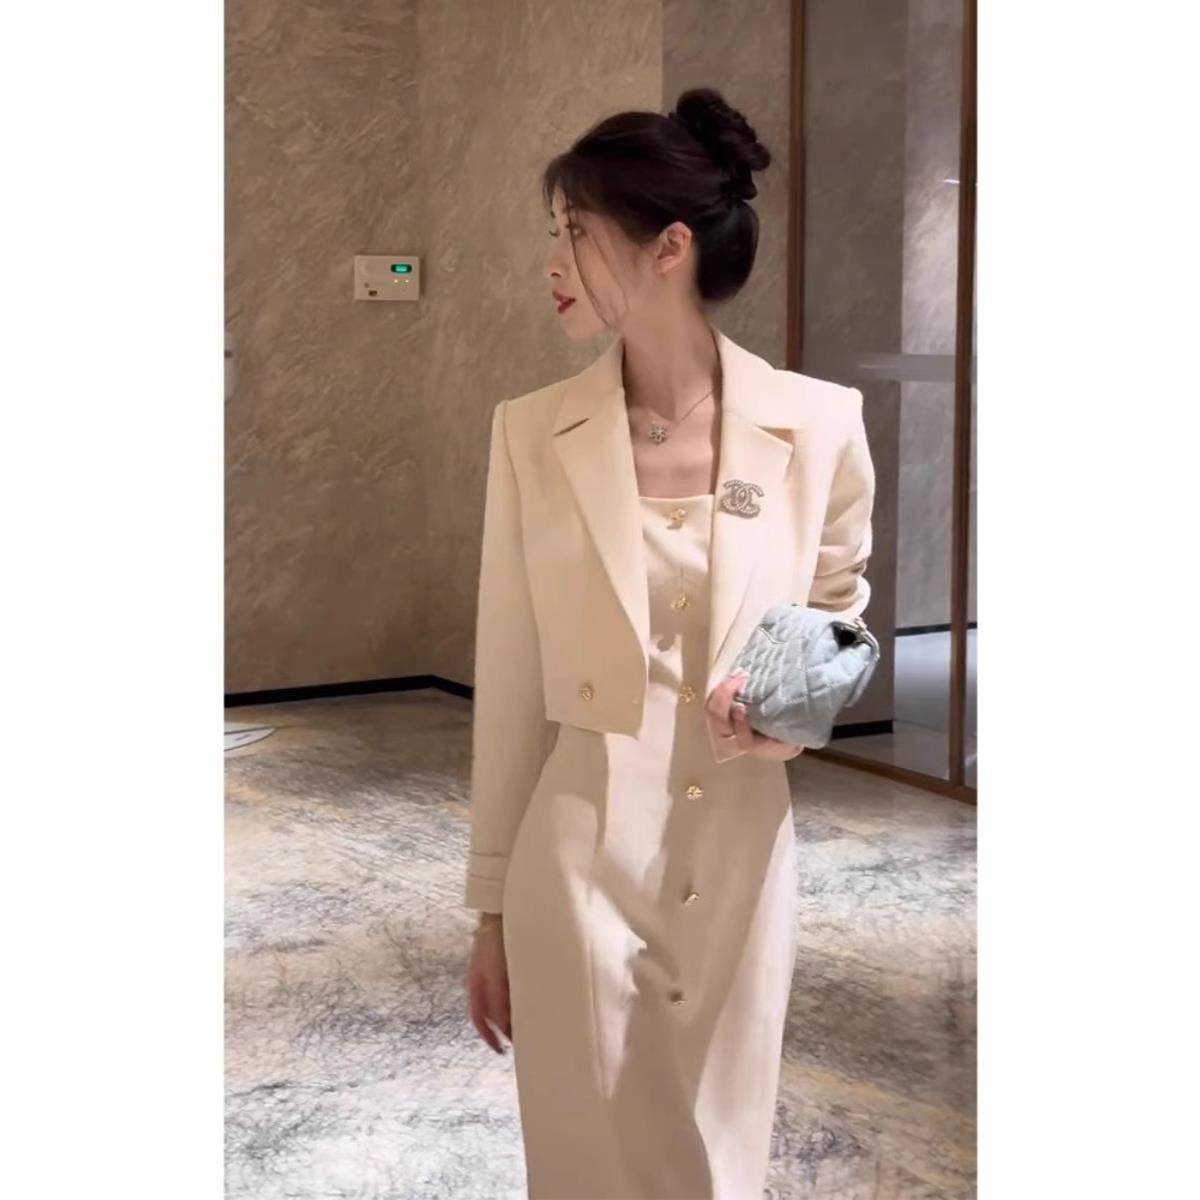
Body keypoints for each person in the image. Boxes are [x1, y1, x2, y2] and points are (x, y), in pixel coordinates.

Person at [463, 86, 875, 1199]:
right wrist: (492, 912)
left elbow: (838, 617)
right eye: (554, 231)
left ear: (669, 247)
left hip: (741, 852)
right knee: (588, 1158)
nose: (552, 260)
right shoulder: (531, 434)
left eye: (575, 231)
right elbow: (510, 682)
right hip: (578, 855)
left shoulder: (819, 422)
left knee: (718, 1155)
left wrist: (790, 721)